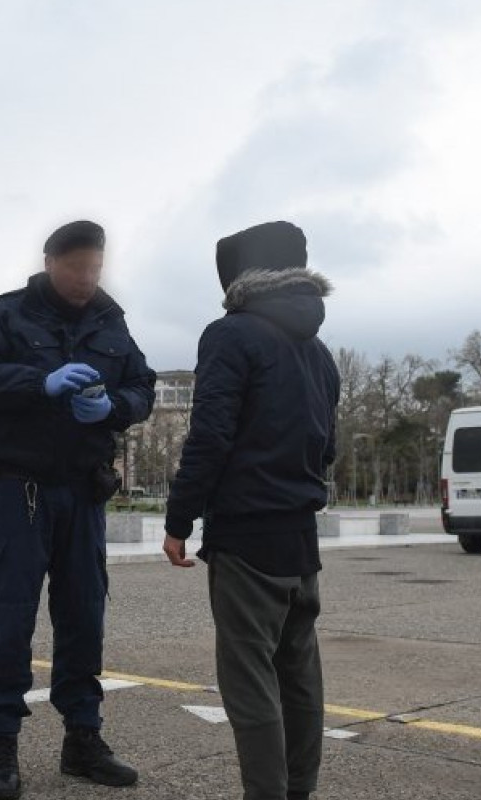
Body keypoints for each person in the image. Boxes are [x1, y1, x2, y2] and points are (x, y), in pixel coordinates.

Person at [0, 220, 157, 799]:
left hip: (83, 493)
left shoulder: (110, 320)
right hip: (22, 490)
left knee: (84, 616)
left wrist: (115, 405)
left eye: (95, 268)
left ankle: (83, 739)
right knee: (9, 617)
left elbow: (141, 387)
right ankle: (2, 748)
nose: (86, 279)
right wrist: (40, 381)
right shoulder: (9, 313)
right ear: (50, 262)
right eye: (76, 269)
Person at [162, 221, 340, 800]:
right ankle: (299, 790)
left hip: (247, 536)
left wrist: (178, 519)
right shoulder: (319, 354)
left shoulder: (230, 337)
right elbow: (328, 447)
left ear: (240, 279)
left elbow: (210, 436)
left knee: (249, 682)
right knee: (299, 675)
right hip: (301, 540)